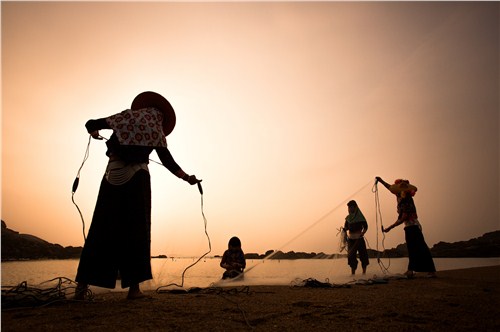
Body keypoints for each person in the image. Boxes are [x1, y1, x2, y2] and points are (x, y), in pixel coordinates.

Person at [74, 91, 201, 300]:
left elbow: (91, 123)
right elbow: (168, 161)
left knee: (101, 228)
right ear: (160, 116)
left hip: (111, 176)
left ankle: (81, 289)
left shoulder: (125, 117)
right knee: (137, 232)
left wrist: (95, 131)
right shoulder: (156, 129)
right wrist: (187, 178)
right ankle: (134, 290)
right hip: (138, 179)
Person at [376, 177, 436, 278]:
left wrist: (390, 227)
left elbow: (404, 217)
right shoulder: (399, 196)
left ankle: (428, 271)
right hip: (409, 227)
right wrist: (380, 180)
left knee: (421, 248)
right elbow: (389, 187)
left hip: (413, 226)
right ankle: (411, 270)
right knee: (412, 248)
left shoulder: (407, 199)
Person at [343, 200, 369, 275]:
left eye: (351, 207)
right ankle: (353, 274)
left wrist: (363, 233)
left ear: (355, 207)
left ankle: (364, 273)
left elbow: (366, 227)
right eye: (348, 208)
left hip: (359, 239)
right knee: (351, 257)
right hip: (351, 240)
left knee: (363, 255)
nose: (349, 209)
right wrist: (344, 230)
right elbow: (346, 227)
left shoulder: (360, 217)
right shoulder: (348, 218)